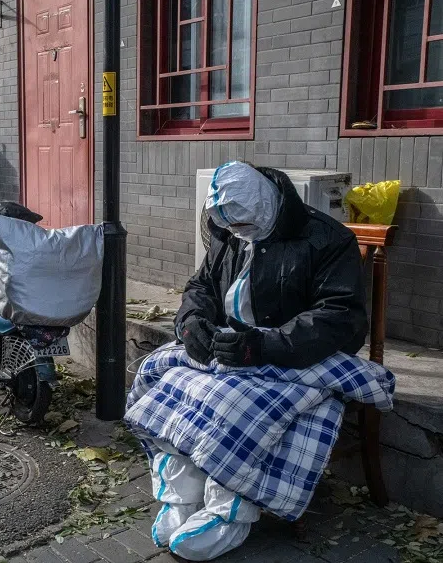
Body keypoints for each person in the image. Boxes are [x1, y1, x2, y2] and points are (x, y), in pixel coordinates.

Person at [124, 161, 394, 561]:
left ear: (269, 207)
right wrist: (192, 321)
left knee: (229, 406)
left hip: (292, 354)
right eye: (229, 227)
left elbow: (341, 318)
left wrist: (263, 347)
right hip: (232, 347)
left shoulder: (326, 239)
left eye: (244, 227)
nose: (236, 234)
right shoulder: (227, 229)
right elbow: (201, 285)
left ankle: (229, 509)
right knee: (165, 385)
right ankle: (181, 496)